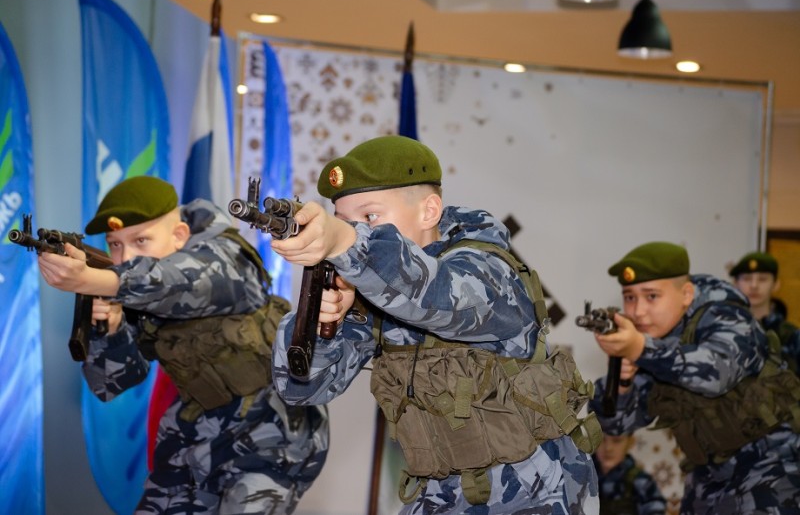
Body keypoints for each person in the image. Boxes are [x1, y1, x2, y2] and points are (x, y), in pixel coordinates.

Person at [268, 135, 601, 514]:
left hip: (536, 490)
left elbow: (436, 298)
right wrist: (321, 320)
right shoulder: (372, 291)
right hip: (439, 492)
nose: (359, 229)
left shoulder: (488, 269)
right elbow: (301, 389)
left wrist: (347, 243)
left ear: (429, 211)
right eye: (346, 222)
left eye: (371, 217)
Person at [37, 176, 329, 514]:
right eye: (115, 244)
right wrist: (113, 327)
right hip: (196, 436)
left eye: (141, 240)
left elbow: (185, 281)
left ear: (179, 235)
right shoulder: (129, 286)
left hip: (272, 438)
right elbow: (111, 384)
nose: (126, 256)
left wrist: (99, 280)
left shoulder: (226, 255)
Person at [589, 241, 800, 514]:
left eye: (652, 296)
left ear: (686, 294)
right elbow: (618, 424)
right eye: (630, 297)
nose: (639, 311)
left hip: (772, 463)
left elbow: (715, 374)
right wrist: (621, 383)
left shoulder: (727, 316)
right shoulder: (654, 338)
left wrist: (641, 349)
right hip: (709, 472)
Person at [730, 251, 800, 373]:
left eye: (762, 279)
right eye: (747, 278)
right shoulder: (723, 330)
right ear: (735, 284)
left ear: (776, 284)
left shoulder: (790, 336)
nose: (754, 285)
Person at [593, 432, 666, 515]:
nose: (608, 448)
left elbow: (655, 510)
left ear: (630, 442)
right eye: (601, 439)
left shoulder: (641, 482)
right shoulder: (580, 480)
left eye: (617, 441)